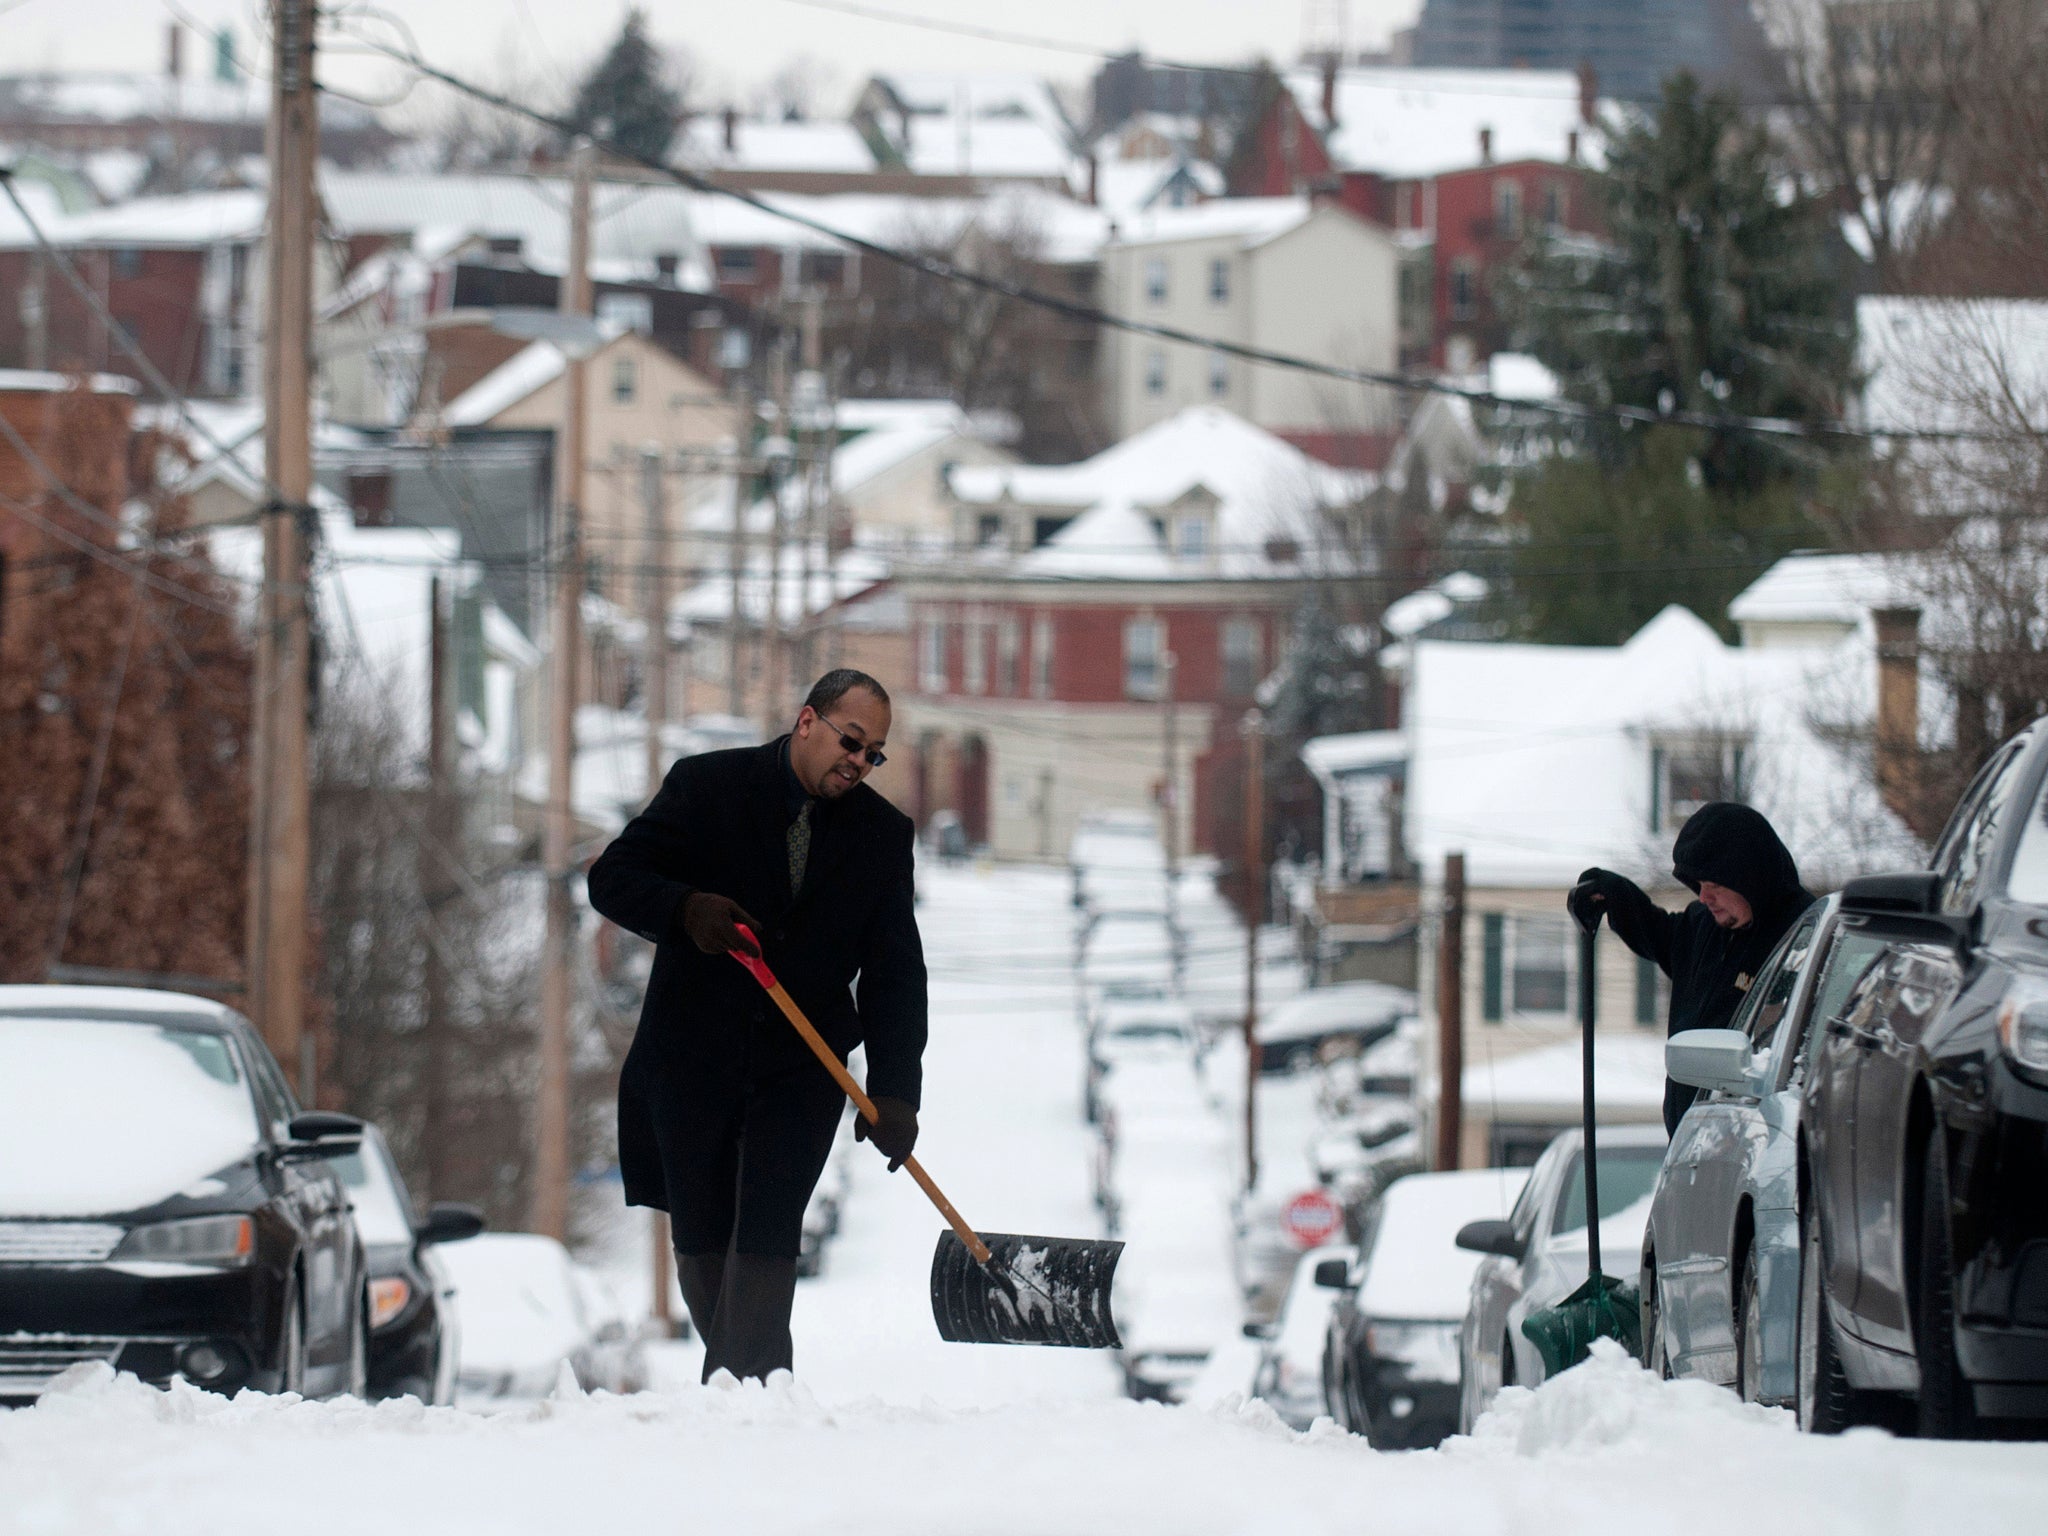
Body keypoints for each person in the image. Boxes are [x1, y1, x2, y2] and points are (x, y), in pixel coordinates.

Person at [586, 669, 927, 1383]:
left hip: (801, 1071)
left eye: (874, 755)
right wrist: (686, 911)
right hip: (692, 1062)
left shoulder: (882, 836)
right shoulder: (706, 787)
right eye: (851, 741)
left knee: (769, 1239)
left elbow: (895, 973)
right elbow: (612, 877)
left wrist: (898, 1092)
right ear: (808, 721)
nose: (859, 763)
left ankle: (747, 1399)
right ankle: (748, 1399)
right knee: (704, 1240)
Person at [1568, 802, 1814, 1134]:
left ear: (1748, 878)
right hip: (1691, 1136)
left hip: (1757, 1140)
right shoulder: (1705, 929)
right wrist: (1612, 894)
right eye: (1699, 885)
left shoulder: (1802, 938)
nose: (1703, 897)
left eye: (1715, 885)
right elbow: (1657, 933)